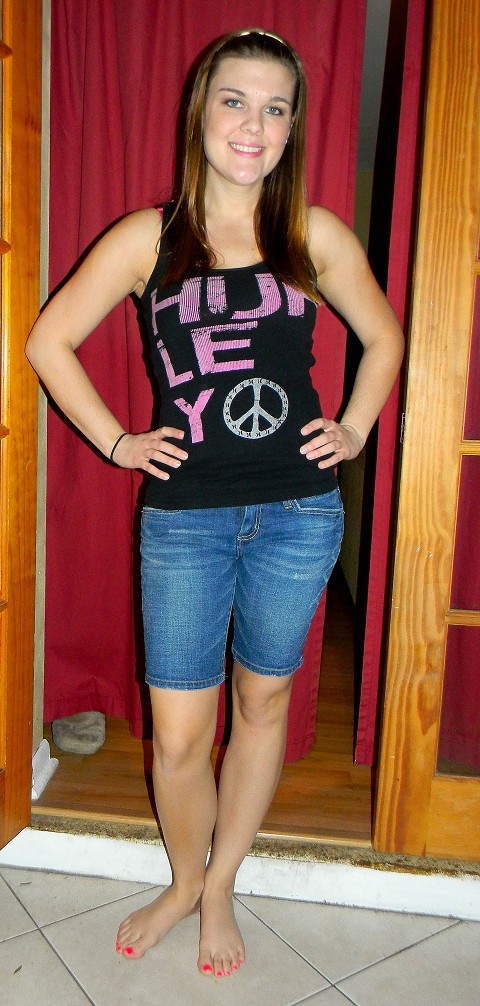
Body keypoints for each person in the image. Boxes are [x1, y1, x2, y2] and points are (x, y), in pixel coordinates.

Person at [26, 28, 404, 979]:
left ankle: (221, 885)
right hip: (185, 518)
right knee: (181, 735)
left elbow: (386, 338)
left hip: (299, 514)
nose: (254, 125)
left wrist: (355, 426)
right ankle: (183, 881)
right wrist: (119, 441)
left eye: (276, 109)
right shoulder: (147, 238)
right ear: (201, 112)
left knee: (263, 700)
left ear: (292, 128)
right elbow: (46, 342)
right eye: (236, 101)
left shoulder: (313, 234)